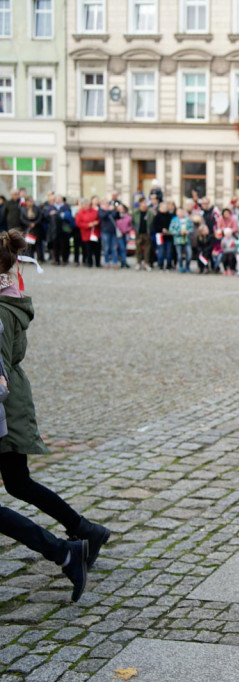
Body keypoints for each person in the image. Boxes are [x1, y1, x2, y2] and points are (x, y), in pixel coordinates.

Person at [0, 230, 110, 601]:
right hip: (11, 400)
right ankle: (82, 533)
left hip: (6, 405)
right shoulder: (9, 300)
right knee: (17, 482)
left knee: (18, 482)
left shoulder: (1, 308)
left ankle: (69, 547)